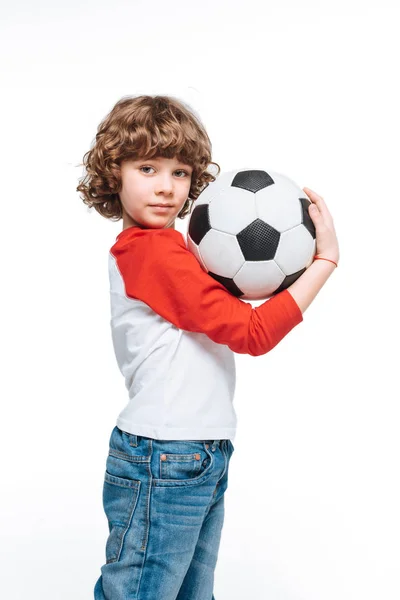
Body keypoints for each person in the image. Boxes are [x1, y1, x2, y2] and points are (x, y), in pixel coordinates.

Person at [77, 95, 339, 600]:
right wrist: (324, 260)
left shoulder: (175, 248)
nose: (165, 187)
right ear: (115, 173)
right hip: (165, 453)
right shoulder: (152, 253)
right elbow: (252, 333)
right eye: (147, 168)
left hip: (196, 450)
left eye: (179, 173)